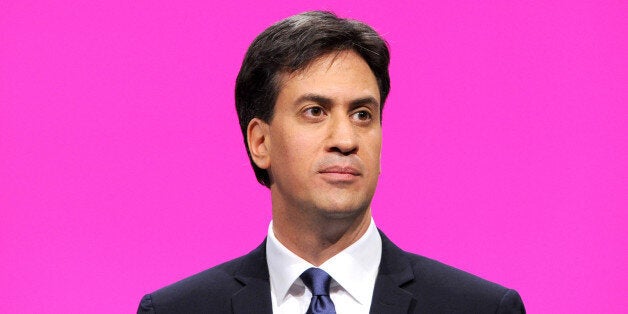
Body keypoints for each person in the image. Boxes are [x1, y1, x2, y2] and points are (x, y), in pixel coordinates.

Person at [137, 11, 525, 314]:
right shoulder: (178, 311)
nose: (345, 140)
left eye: (362, 115)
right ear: (260, 141)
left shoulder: (479, 310)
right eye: (315, 111)